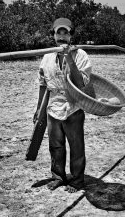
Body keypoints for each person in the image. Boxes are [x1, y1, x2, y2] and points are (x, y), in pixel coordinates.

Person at [35, 18, 92, 193]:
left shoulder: (81, 55)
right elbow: (43, 84)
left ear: (71, 36)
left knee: (76, 146)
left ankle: (77, 180)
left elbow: (80, 83)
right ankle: (58, 177)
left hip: (73, 108)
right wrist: (39, 109)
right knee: (56, 146)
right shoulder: (47, 57)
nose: (61, 37)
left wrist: (69, 57)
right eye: (58, 33)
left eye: (65, 33)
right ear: (53, 35)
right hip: (53, 107)